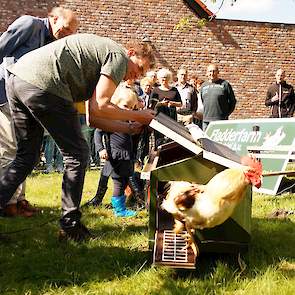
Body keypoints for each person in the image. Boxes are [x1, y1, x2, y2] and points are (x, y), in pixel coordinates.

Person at [0, 33, 155, 241]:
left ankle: (68, 223)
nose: (137, 76)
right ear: (131, 53)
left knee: (26, 157)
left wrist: (128, 128)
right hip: (44, 82)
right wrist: (138, 115)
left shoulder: (102, 63)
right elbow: (101, 104)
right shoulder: (117, 56)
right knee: (78, 154)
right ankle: (70, 225)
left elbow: (94, 118)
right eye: (140, 68)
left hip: (17, 79)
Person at [0, 7, 78, 217]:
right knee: (10, 151)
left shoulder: (52, 42)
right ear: (53, 18)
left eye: (72, 32)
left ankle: (18, 198)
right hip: (5, 97)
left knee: (25, 153)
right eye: (67, 28)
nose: (67, 34)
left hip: (27, 102)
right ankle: (7, 203)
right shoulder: (29, 24)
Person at [88, 87, 142, 217]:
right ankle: (119, 210)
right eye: (125, 106)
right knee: (118, 182)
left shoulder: (126, 119)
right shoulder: (110, 119)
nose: (128, 110)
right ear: (115, 103)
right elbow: (97, 132)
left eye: (131, 107)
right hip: (116, 156)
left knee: (123, 182)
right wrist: (101, 149)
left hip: (125, 156)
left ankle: (123, 205)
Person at [199, 64, 236, 130]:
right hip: (206, 121)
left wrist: (226, 114)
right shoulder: (203, 86)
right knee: (206, 140)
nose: (212, 73)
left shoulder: (225, 84)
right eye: (210, 71)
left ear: (218, 72)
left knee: (220, 140)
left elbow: (232, 101)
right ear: (207, 73)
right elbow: (203, 100)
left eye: (214, 71)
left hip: (221, 120)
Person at [151, 68, 182, 147]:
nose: (163, 79)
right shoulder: (155, 90)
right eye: (162, 78)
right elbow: (151, 105)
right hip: (159, 117)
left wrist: (172, 103)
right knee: (159, 138)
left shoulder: (174, 90)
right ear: (159, 79)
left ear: (168, 78)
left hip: (171, 117)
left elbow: (180, 104)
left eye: (165, 77)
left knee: (171, 138)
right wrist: (161, 103)